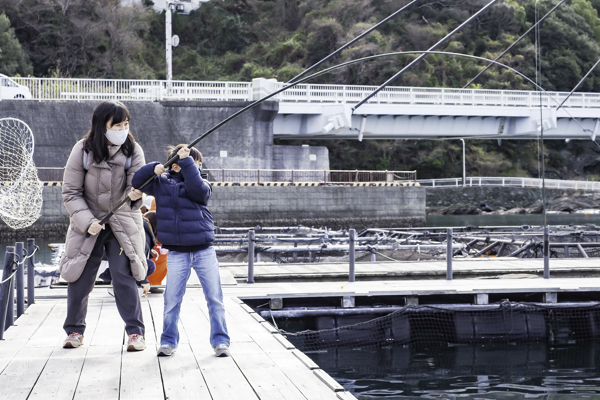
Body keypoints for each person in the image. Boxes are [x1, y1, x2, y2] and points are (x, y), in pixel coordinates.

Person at [60, 100, 148, 351]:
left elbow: (139, 184)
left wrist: (136, 194)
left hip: (123, 221)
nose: (122, 129)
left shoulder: (133, 149)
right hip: (88, 222)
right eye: (116, 124)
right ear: (102, 125)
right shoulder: (82, 150)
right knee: (80, 276)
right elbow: (70, 192)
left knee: (124, 276)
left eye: (125, 124)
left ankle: (135, 333)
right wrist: (88, 222)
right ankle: (74, 331)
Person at [132, 144, 230, 357]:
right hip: (177, 252)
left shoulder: (201, 183)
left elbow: (200, 192)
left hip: (204, 249)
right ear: (174, 165)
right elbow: (136, 182)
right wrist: (152, 169)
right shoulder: (161, 184)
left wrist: (187, 164)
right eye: (191, 162)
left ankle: (221, 341)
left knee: (214, 298)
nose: (197, 166)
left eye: (196, 163)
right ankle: (168, 341)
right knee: (172, 300)